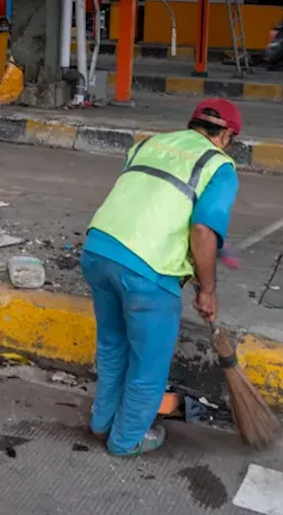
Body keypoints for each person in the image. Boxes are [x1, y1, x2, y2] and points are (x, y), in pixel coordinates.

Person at [81, 99, 242, 457]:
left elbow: (155, 202)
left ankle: (102, 422)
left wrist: (217, 246)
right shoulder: (219, 165)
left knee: (112, 346)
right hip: (146, 272)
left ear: (192, 125)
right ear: (227, 136)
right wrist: (208, 290)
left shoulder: (148, 143)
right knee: (147, 362)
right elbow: (201, 229)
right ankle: (127, 440)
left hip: (98, 249)